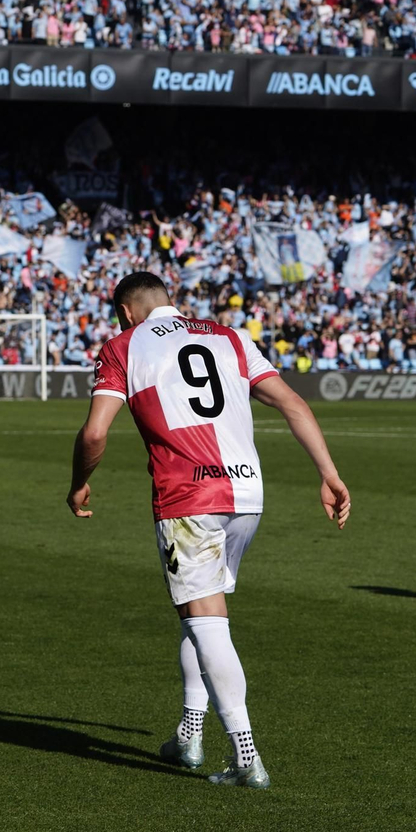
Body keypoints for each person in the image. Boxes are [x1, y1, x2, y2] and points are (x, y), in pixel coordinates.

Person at [66, 272, 351, 789]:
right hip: (246, 496)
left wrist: (79, 483)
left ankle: (246, 757)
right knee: (200, 615)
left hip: (188, 498)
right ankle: (189, 734)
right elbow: (293, 403)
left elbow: (95, 432)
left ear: (125, 312)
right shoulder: (230, 337)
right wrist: (329, 474)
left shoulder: (124, 346)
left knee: (207, 621)